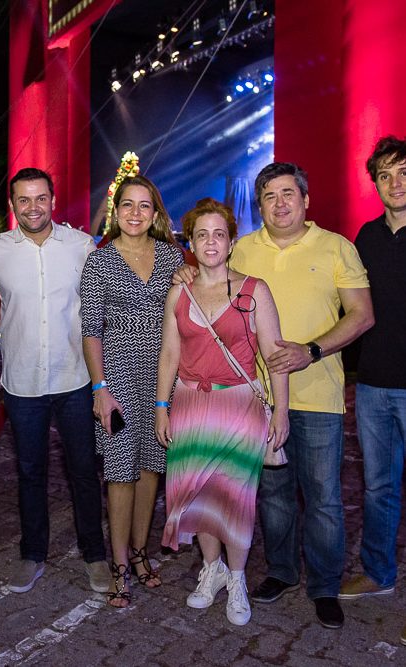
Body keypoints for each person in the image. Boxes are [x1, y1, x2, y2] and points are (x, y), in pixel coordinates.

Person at [174, 162, 373, 628]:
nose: (280, 203)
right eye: (269, 196)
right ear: (259, 206)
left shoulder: (336, 247)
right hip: (254, 399)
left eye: (288, 194)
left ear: (306, 199)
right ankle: (281, 572)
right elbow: (210, 280)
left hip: (318, 394)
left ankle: (324, 586)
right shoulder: (243, 249)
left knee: (323, 497)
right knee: (273, 495)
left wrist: (312, 349)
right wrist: (185, 274)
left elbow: (362, 314)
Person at [155, 198, 289, 626]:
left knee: (235, 498)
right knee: (197, 495)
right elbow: (169, 354)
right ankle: (210, 571)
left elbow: (274, 357)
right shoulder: (179, 291)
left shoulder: (254, 290)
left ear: (231, 242)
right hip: (190, 404)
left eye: (219, 234)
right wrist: (161, 408)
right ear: (191, 243)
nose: (210, 242)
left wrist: (281, 412)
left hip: (238, 406)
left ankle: (236, 578)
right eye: (201, 235)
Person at [0, 168, 110, 594]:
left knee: (84, 471)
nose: (32, 207)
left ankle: (95, 555)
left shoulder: (81, 246)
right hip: (22, 382)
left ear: (53, 200)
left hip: (74, 378)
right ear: (12, 204)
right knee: (30, 471)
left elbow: (104, 300)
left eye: (40, 198)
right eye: (23, 200)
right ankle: (32, 554)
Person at [80, 175, 184, 607]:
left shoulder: (172, 257)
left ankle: (141, 553)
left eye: (144, 205)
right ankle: (120, 565)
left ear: (155, 212)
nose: (135, 213)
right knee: (120, 472)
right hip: (118, 379)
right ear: (115, 210)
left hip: (161, 379)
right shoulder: (100, 261)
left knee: (151, 468)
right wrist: (99, 388)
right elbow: (90, 331)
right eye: (127, 204)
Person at [337, 136, 406, 642]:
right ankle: (379, 572)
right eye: (385, 175)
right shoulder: (366, 236)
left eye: (403, 172)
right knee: (378, 486)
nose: (395, 183)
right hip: (375, 386)